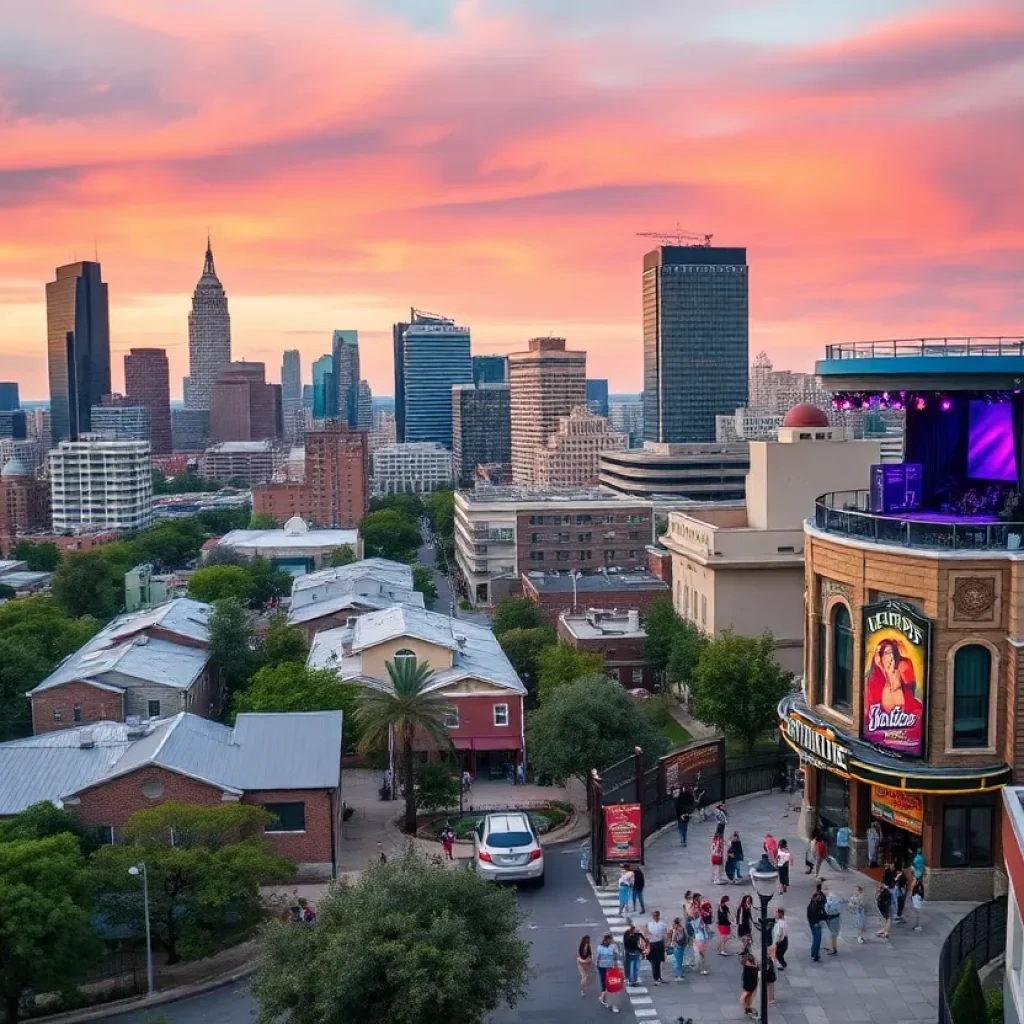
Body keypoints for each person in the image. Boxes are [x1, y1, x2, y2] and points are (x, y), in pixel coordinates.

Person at [863, 637, 924, 748]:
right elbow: (867, 715)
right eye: (883, 653)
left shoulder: (903, 666)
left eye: (890, 652)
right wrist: (882, 669)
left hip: (908, 729)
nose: (889, 657)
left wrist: (892, 673)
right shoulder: (873, 680)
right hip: (879, 734)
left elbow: (906, 686)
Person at [595, 934, 620, 1012]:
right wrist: (598, 965)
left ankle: (613, 1004)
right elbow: (598, 958)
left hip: (611, 968)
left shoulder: (613, 947)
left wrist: (616, 966)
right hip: (602, 968)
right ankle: (607, 1000)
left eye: (610, 939)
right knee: (605, 984)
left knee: (612, 985)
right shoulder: (600, 948)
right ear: (605, 940)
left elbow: (616, 957)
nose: (610, 941)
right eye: (608, 939)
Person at [646, 910, 668, 985]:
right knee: (653, 962)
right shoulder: (649, 924)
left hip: (659, 943)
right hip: (652, 944)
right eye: (653, 916)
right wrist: (647, 946)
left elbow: (665, 935)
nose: (654, 917)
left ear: (658, 916)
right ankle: (656, 978)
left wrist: (665, 945)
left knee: (659, 961)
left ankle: (659, 977)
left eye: (656, 916)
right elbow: (647, 935)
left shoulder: (663, 924)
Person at [807, 885, 826, 962]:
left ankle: (814, 953)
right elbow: (821, 916)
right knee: (817, 940)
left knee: (815, 938)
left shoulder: (810, 906)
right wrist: (826, 917)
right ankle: (815, 954)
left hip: (811, 924)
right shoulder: (817, 908)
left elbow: (808, 915)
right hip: (817, 924)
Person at [622, 922, 643, 987]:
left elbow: (637, 944)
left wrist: (641, 951)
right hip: (629, 952)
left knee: (636, 967)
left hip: (635, 952)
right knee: (631, 967)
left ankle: (634, 980)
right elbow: (626, 944)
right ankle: (631, 981)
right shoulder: (626, 933)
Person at [823, 885, 842, 955]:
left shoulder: (829, 899)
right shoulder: (836, 898)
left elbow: (829, 910)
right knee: (832, 933)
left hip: (833, 919)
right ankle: (831, 947)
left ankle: (833, 949)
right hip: (835, 918)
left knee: (832, 934)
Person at [740, 952, 760, 1017]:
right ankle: (748, 1008)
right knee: (746, 997)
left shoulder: (749, 967)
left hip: (751, 985)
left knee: (749, 997)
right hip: (749, 985)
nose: (750, 963)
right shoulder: (750, 968)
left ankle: (748, 1008)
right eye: (749, 961)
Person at [693, 901, 710, 975]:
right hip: (701, 940)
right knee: (702, 955)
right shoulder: (700, 922)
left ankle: (701, 967)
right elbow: (703, 930)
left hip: (698, 939)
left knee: (700, 954)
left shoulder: (694, 922)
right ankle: (702, 969)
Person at [669, 917, 688, 981]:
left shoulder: (681, 929)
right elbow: (673, 940)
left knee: (680, 961)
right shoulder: (676, 930)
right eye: (680, 921)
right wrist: (678, 946)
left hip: (681, 947)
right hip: (678, 948)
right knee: (678, 962)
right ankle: (678, 976)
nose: (682, 922)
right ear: (678, 922)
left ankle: (679, 974)